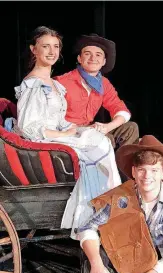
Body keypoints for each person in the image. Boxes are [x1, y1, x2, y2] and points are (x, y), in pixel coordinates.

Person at [14, 26, 122, 239]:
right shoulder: (34, 84)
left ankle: (108, 204)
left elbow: (55, 119)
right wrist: (64, 134)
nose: (52, 51)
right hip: (41, 143)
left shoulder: (52, 83)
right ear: (33, 50)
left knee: (98, 139)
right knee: (98, 144)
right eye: (45, 46)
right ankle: (103, 210)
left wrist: (73, 129)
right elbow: (28, 127)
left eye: (56, 47)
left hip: (55, 135)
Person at [76, 135, 163, 273]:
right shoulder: (121, 196)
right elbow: (87, 229)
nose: (147, 176)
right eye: (141, 170)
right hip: (129, 257)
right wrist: (97, 264)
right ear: (133, 171)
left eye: (154, 170)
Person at [55, 33, 139, 150]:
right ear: (79, 58)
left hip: (90, 128)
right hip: (69, 131)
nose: (93, 58)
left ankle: (122, 167)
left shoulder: (103, 83)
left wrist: (108, 127)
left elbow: (119, 108)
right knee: (105, 139)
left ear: (104, 61)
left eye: (98, 55)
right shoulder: (61, 82)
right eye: (87, 54)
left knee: (130, 128)